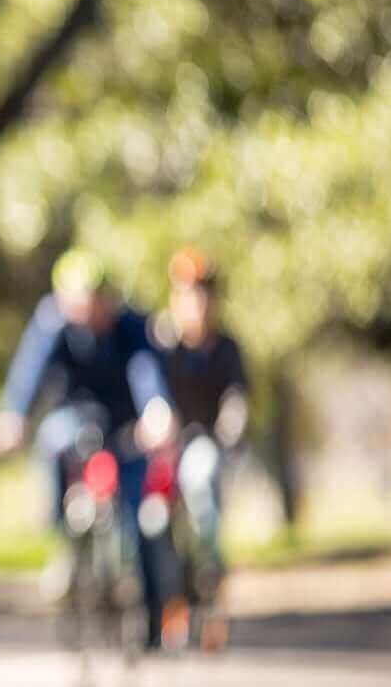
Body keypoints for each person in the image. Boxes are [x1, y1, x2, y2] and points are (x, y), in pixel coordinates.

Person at [0, 249, 177, 648]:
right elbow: (28, 373)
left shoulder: (131, 326)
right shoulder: (52, 321)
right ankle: (60, 538)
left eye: (94, 303)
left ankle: (151, 622)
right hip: (73, 419)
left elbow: (147, 375)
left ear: (109, 298)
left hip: (127, 427)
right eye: (77, 305)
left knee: (140, 522)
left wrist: (157, 411)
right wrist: (11, 416)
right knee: (52, 442)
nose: (87, 313)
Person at [151, 247, 247, 650]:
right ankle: (170, 607)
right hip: (164, 450)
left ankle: (212, 604)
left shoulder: (226, 347)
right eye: (189, 292)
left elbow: (237, 398)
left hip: (205, 446)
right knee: (156, 526)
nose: (198, 302)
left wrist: (231, 425)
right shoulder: (163, 344)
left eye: (204, 293)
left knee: (203, 493)